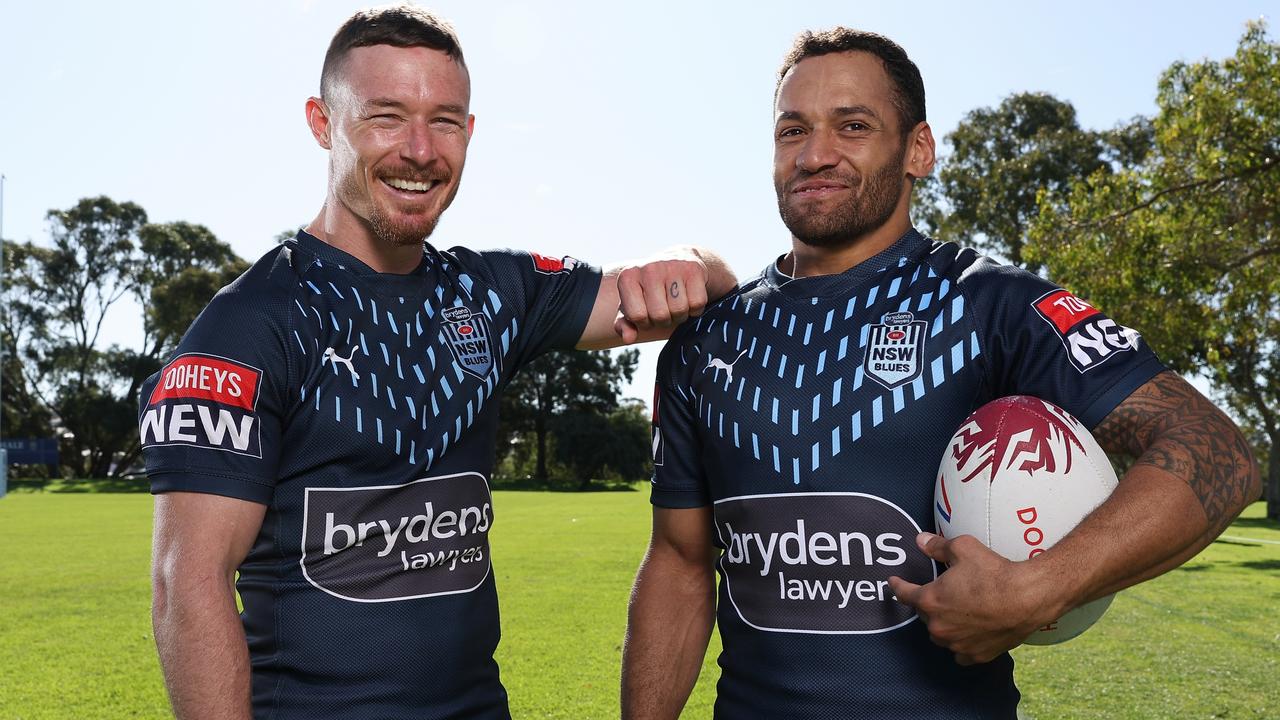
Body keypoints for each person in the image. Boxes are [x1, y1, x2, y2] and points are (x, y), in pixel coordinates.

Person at [621, 27, 1261, 720]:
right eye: (792, 130)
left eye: (853, 126)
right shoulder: (705, 341)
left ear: (917, 150)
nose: (815, 154)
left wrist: (1041, 587)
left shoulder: (993, 304)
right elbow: (680, 566)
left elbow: (1215, 448)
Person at [140, 7, 735, 720]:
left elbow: (695, 285)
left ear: (470, 132)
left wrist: (696, 266)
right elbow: (189, 583)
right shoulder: (249, 325)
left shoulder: (494, 294)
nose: (419, 150)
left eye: (444, 121)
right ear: (323, 123)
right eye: (386, 116)